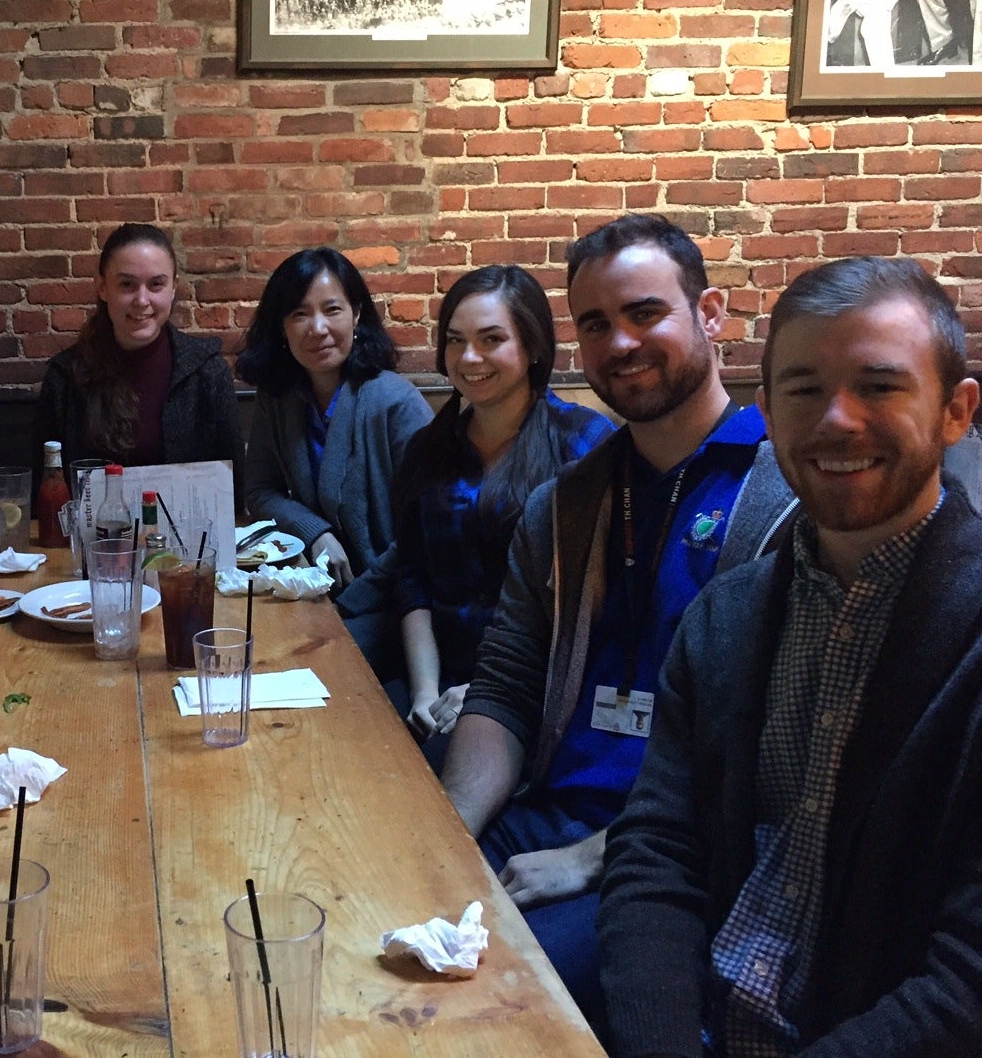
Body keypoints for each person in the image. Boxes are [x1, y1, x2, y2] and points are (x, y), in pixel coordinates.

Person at [601, 256, 982, 1056]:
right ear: (768, 411)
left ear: (955, 412)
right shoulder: (726, 617)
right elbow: (657, 852)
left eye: (878, 386)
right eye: (805, 390)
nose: (836, 420)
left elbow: (967, 980)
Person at [438, 214, 796, 1030]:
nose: (621, 343)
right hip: (541, 815)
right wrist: (449, 829)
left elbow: (773, 751)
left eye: (645, 313)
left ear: (711, 316)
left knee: (488, 1006)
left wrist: (593, 857)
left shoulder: (785, 498)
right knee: (378, 918)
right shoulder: (566, 502)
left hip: (677, 859)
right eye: (596, 324)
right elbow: (505, 685)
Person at [389, 266, 612, 764]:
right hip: (434, 676)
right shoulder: (429, 449)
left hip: (541, 689)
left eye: (491, 339)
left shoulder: (583, 445)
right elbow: (413, 579)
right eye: (455, 341)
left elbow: (597, 604)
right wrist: (424, 693)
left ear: (532, 347)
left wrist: (487, 693)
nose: (469, 358)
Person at [237, 246, 433, 660]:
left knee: (289, 655)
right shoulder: (279, 398)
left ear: (357, 314)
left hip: (398, 606)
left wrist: (349, 603)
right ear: (282, 327)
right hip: (318, 592)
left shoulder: (396, 403)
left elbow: (425, 531)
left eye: (332, 309)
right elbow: (258, 489)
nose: (318, 328)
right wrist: (314, 530)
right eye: (299, 314)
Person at [32, 222, 242, 494]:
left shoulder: (208, 371)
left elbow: (234, 492)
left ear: (173, 288)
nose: (142, 300)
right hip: (96, 536)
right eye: (127, 285)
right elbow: (45, 491)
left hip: (189, 536)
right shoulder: (65, 377)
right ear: (103, 287)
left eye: (156, 284)